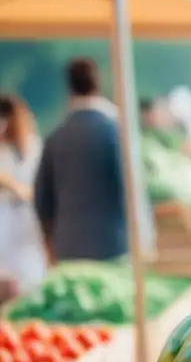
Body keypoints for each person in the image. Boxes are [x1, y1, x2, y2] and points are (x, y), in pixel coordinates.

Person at [35, 58, 131, 261]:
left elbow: (42, 198)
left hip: (69, 247)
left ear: (69, 87)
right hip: (114, 245)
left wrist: (50, 246)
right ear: (98, 83)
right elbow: (130, 190)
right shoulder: (117, 133)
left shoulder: (56, 137)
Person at [0, 93, 47, 293]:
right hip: (6, 224)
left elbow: (39, 190)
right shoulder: (4, 151)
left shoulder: (35, 149)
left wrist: (12, 185)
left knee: (28, 280)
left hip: (26, 227)